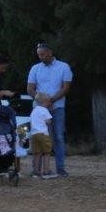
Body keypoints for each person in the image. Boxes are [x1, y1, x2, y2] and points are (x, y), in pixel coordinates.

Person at [26, 43, 73, 177]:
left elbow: (65, 88)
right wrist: (42, 101)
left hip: (57, 107)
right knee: (38, 136)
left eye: (42, 54)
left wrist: (51, 100)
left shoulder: (63, 67)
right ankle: (36, 169)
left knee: (58, 137)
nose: (40, 57)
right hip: (39, 109)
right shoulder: (35, 68)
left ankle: (60, 168)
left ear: (50, 53)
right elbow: (30, 88)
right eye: (39, 55)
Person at [29, 92, 56, 178]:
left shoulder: (34, 111)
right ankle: (46, 171)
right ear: (45, 102)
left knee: (37, 153)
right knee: (47, 152)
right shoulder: (44, 110)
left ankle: (36, 171)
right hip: (43, 134)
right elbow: (49, 121)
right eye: (49, 101)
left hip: (34, 134)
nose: (50, 103)